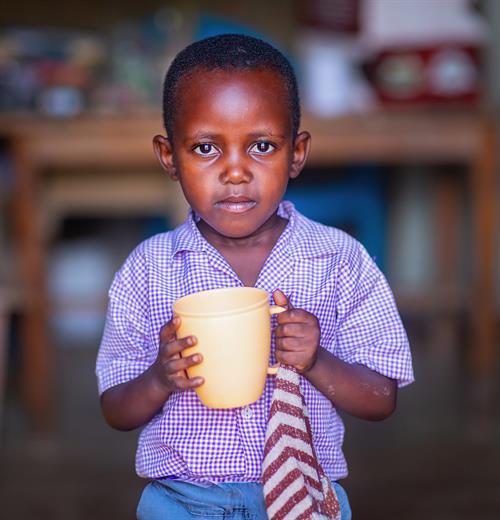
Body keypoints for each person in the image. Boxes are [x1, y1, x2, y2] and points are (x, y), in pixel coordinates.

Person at [96, 33, 414, 519]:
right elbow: (115, 408)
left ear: (297, 153)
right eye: (205, 148)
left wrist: (317, 360)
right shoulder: (148, 270)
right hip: (180, 501)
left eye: (262, 145)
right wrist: (160, 378)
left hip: (307, 497)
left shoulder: (339, 261)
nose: (236, 171)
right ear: (168, 157)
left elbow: (382, 398)